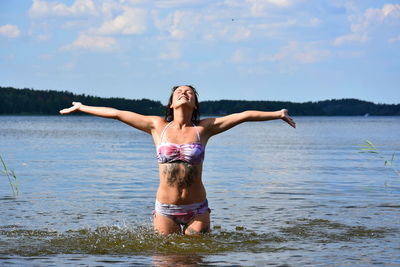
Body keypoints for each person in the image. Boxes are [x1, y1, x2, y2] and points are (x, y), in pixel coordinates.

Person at [59, 85, 296, 235]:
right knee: (165, 260)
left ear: (194, 104)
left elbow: (243, 116)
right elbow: (118, 114)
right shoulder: (156, 126)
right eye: (179, 91)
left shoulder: (204, 128)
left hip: (197, 209)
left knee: (194, 260)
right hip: (165, 209)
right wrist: (82, 107)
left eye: (189, 92)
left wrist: (278, 114)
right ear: (172, 103)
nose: (184, 92)